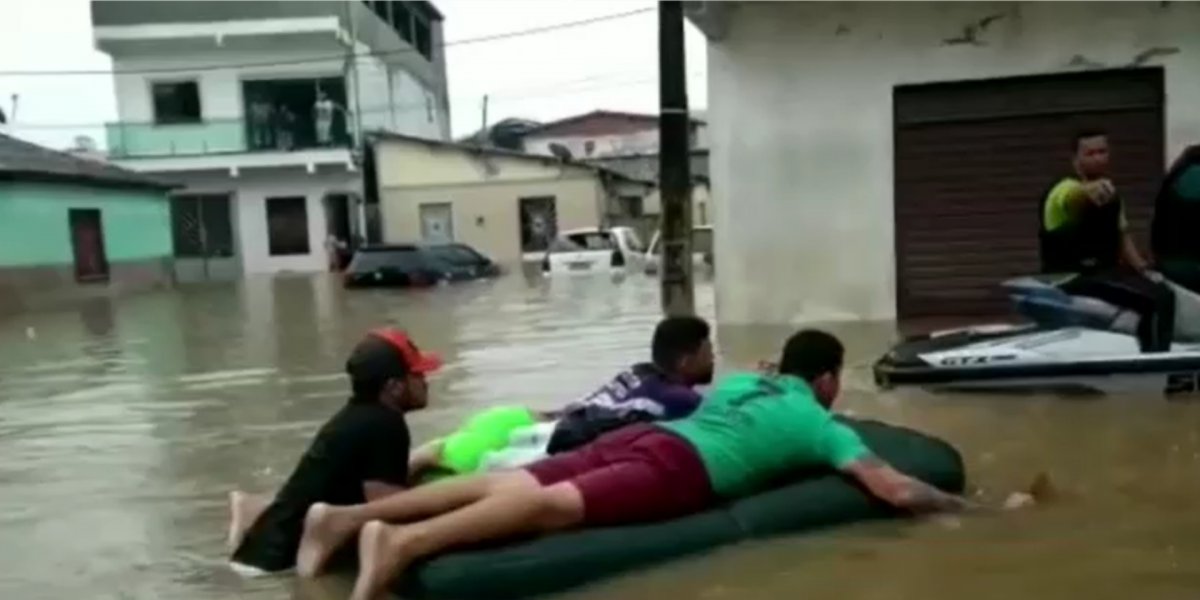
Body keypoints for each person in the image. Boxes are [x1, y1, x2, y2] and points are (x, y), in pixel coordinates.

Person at [293, 329, 966, 600]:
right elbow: (893, 487)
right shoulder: (819, 423)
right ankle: (403, 541)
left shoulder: (736, 386)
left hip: (646, 438)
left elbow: (756, 387)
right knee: (556, 508)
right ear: (825, 380)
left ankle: (351, 516)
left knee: (511, 480)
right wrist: (967, 510)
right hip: (680, 467)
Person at [225, 328, 441, 573]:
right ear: (394, 387)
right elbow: (387, 507)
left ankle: (250, 509)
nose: (426, 382)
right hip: (277, 565)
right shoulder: (386, 425)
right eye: (418, 375)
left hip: (260, 549)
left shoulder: (356, 417)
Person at [1040, 130, 1176, 352]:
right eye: (1089, 153)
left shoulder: (1113, 195)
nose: (1097, 158)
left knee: (1163, 289)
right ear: (1075, 159)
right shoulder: (1063, 190)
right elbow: (1075, 198)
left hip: (1105, 272)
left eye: (1102, 152)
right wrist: (1089, 191)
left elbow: (1122, 235)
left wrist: (1145, 268)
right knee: (1160, 300)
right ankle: (1155, 358)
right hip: (1072, 275)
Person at [544, 314, 714, 454]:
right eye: (707, 354)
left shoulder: (638, 370)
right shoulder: (680, 399)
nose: (713, 359)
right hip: (572, 445)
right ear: (685, 362)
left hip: (565, 423)